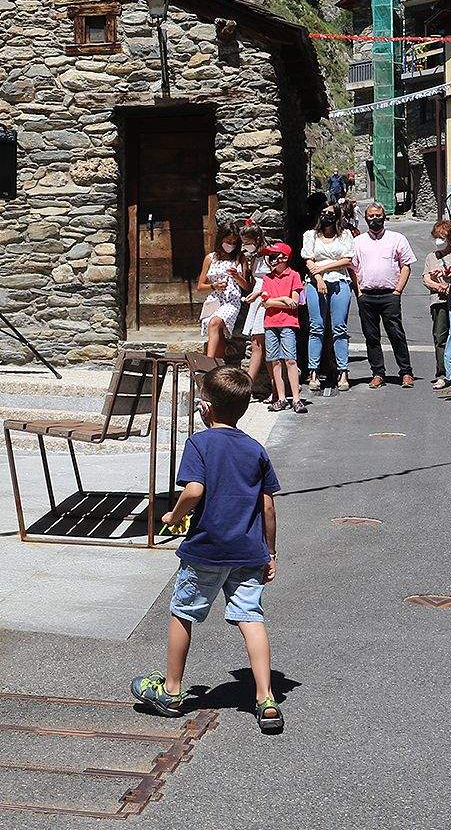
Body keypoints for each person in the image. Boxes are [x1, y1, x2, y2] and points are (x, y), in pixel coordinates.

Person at [131, 366, 282, 734]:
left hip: (207, 550)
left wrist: (173, 514)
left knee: (183, 612)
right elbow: (267, 507)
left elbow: (195, 490)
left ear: (206, 408)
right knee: (251, 617)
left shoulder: (199, 444)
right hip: (248, 551)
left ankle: (171, 690)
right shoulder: (255, 449)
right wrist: (271, 553)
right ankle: (266, 698)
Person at [350, 202, 417, 388]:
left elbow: (406, 266)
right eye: (371, 216)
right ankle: (378, 373)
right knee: (371, 336)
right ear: (365, 218)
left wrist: (398, 291)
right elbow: (352, 268)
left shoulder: (397, 239)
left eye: (378, 215)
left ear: (384, 216)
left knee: (396, 334)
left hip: (390, 295)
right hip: (367, 296)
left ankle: (406, 372)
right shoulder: (357, 242)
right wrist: (359, 292)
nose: (375, 219)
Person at [302, 204, 355, 392]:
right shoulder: (310, 235)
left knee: (339, 328)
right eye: (323, 213)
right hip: (315, 282)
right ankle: (313, 372)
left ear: (337, 216)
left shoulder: (345, 235)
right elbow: (308, 259)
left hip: (339, 281)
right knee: (316, 327)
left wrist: (323, 268)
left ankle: (343, 371)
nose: (326, 216)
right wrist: (318, 278)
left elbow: (347, 260)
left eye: (330, 213)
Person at [257, 243, 304, 412]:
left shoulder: (294, 276)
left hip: (288, 322)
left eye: (274, 256)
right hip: (271, 323)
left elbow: (295, 303)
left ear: (284, 258)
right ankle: (281, 398)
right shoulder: (267, 278)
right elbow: (265, 302)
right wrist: (284, 299)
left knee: (290, 359)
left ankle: (296, 399)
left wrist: (273, 302)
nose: (270, 259)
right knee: (274, 361)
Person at [422, 220, 451, 389]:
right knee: (440, 338)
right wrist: (438, 286)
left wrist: (450, 285)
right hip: (438, 301)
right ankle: (443, 373)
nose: (439, 241)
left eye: (442, 237)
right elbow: (426, 278)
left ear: (450, 238)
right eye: (436, 237)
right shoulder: (431, 257)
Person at [197, 226, 247, 364]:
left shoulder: (240, 258)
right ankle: (218, 366)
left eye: (234, 242)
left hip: (232, 300)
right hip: (215, 300)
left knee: (214, 323)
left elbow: (247, 286)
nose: (231, 245)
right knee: (216, 331)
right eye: (228, 241)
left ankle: (208, 364)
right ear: (221, 239)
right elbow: (200, 286)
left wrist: (237, 276)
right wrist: (214, 286)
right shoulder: (210, 258)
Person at [236, 220, 270, 399]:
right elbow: (252, 283)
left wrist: (258, 294)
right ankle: (248, 385)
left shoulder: (269, 256)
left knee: (260, 342)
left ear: (257, 239)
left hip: (265, 299)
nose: (245, 246)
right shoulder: (254, 257)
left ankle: (248, 386)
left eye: (247, 242)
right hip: (256, 298)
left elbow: (275, 280)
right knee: (256, 342)